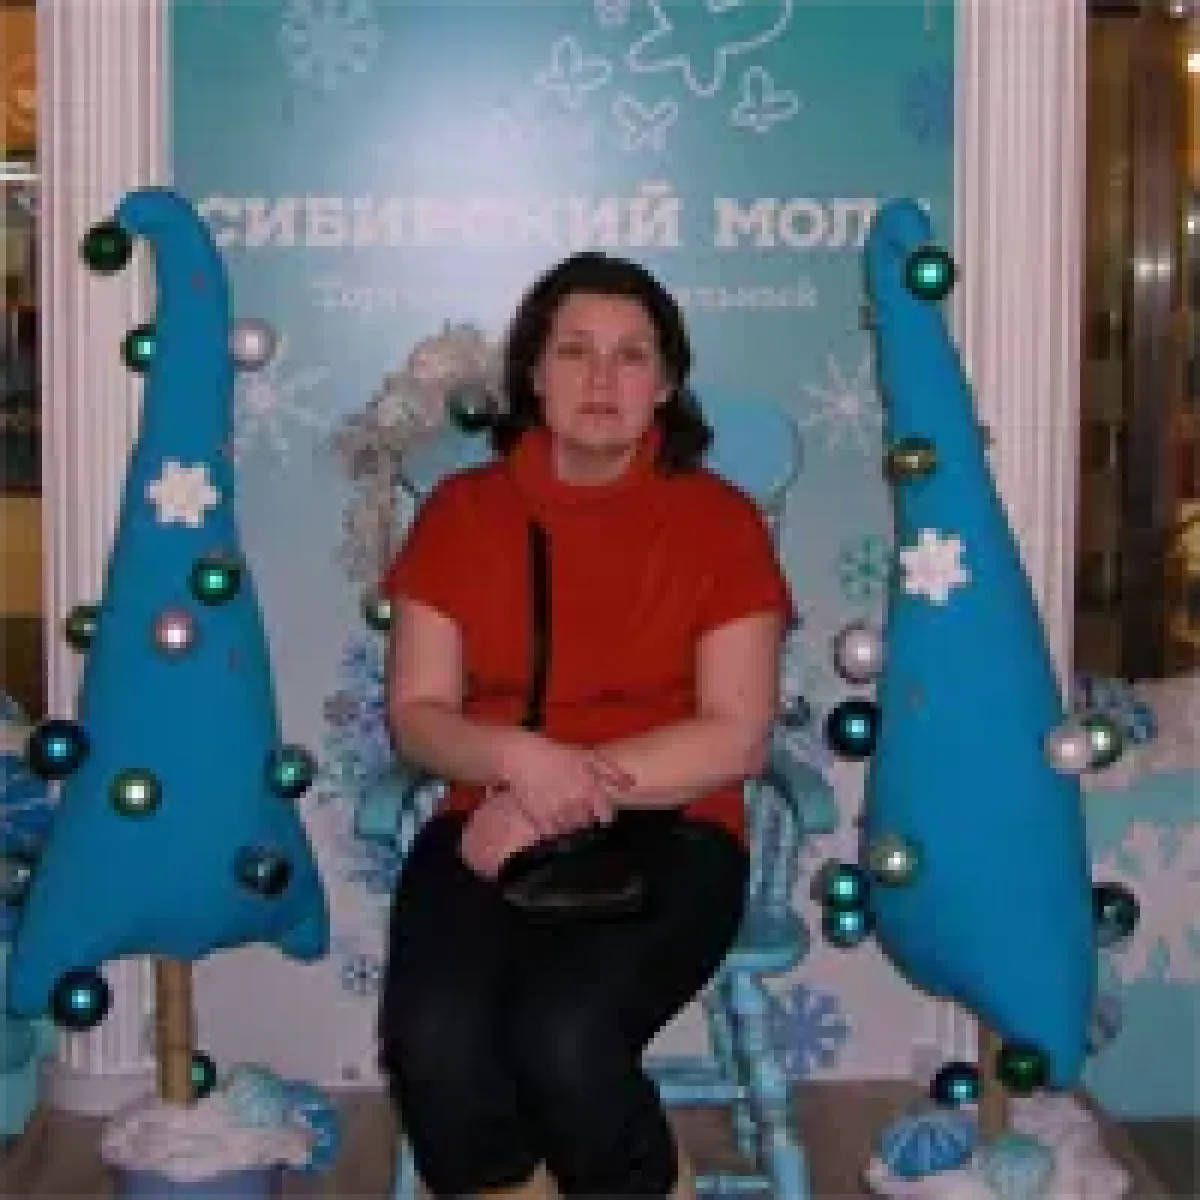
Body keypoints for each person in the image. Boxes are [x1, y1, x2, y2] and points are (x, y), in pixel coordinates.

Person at [378, 252, 795, 1200]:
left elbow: (734, 735)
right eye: (574, 351)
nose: (602, 379)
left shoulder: (720, 522)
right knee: (432, 1043)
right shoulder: (461, 513)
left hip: (676, 827)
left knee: (562, 1038)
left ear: (667, 384)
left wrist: (552, 793)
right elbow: (417, 714)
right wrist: (516, 761)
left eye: (631, 355)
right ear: (533, 372)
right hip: (486, 818)